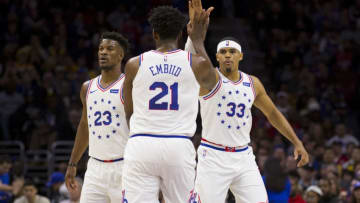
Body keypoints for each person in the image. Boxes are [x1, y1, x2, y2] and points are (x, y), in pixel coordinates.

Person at [184, 1, 309, 202]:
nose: (227, 56)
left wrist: (297, 142)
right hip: (214, 157)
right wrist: (196, 35)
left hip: (244, 157)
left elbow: (273, 114)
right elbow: (191, 61)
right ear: (216, 57)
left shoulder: (253, 83)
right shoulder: (210, 79)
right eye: (223, 52)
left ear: (240, 56)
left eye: (232, 52)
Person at [122, 5, 216, 203]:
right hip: (178, 145)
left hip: (141, 143)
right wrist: (198, 40)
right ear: (181, 34)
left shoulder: (134, 64)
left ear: (154, 34)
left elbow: (129, 112)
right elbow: (214, 86)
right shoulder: (196, 63)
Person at [65, 31, 129, 203]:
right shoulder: (87, 87)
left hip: (124, 166)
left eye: (110, 49)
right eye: (101, 48)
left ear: (121, 55)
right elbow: (85, 126)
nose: (103, 52)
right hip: (94, 167)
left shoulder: (128, 86)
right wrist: (73, 163)